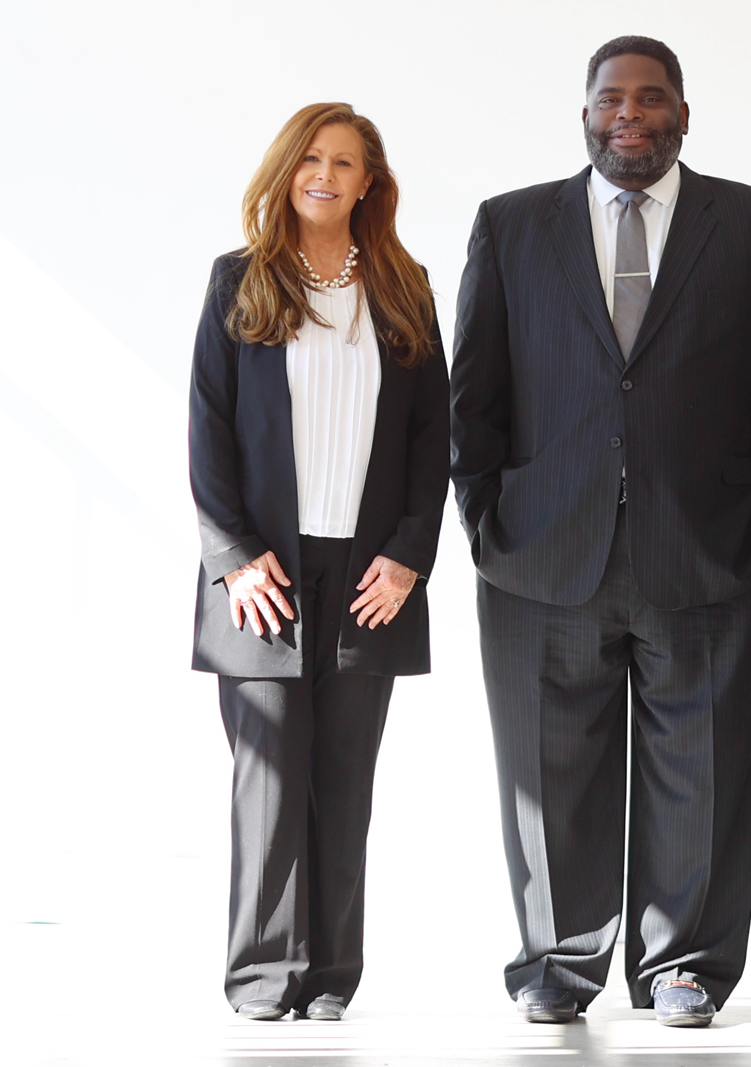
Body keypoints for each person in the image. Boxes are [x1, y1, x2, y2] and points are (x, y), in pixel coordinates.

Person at [450, 35, 751, 1030]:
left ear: (683, 115)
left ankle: (685, 965)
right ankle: (555, 961)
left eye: (651, 97)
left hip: (711, 550)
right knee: (546, 772)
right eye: (611, 97)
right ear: (583, 114)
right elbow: (473, 393)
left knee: (705, 769)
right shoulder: (510, 224)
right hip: (540, 551)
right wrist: (485, 519)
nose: (630, 113)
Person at [188, 102, 448, 1022]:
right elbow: (208, 430)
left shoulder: (406, 288)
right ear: (286, 170)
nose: (324, 176)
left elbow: (432, 438)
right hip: (264, 576)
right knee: (268, 779)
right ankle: (264, 977)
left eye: (343, 162)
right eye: (310, 159)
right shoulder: (240, 280)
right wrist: (235, 557)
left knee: (343, 782)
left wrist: (409, 556)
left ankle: (331, 976)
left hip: (370, 576)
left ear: (369, 181)